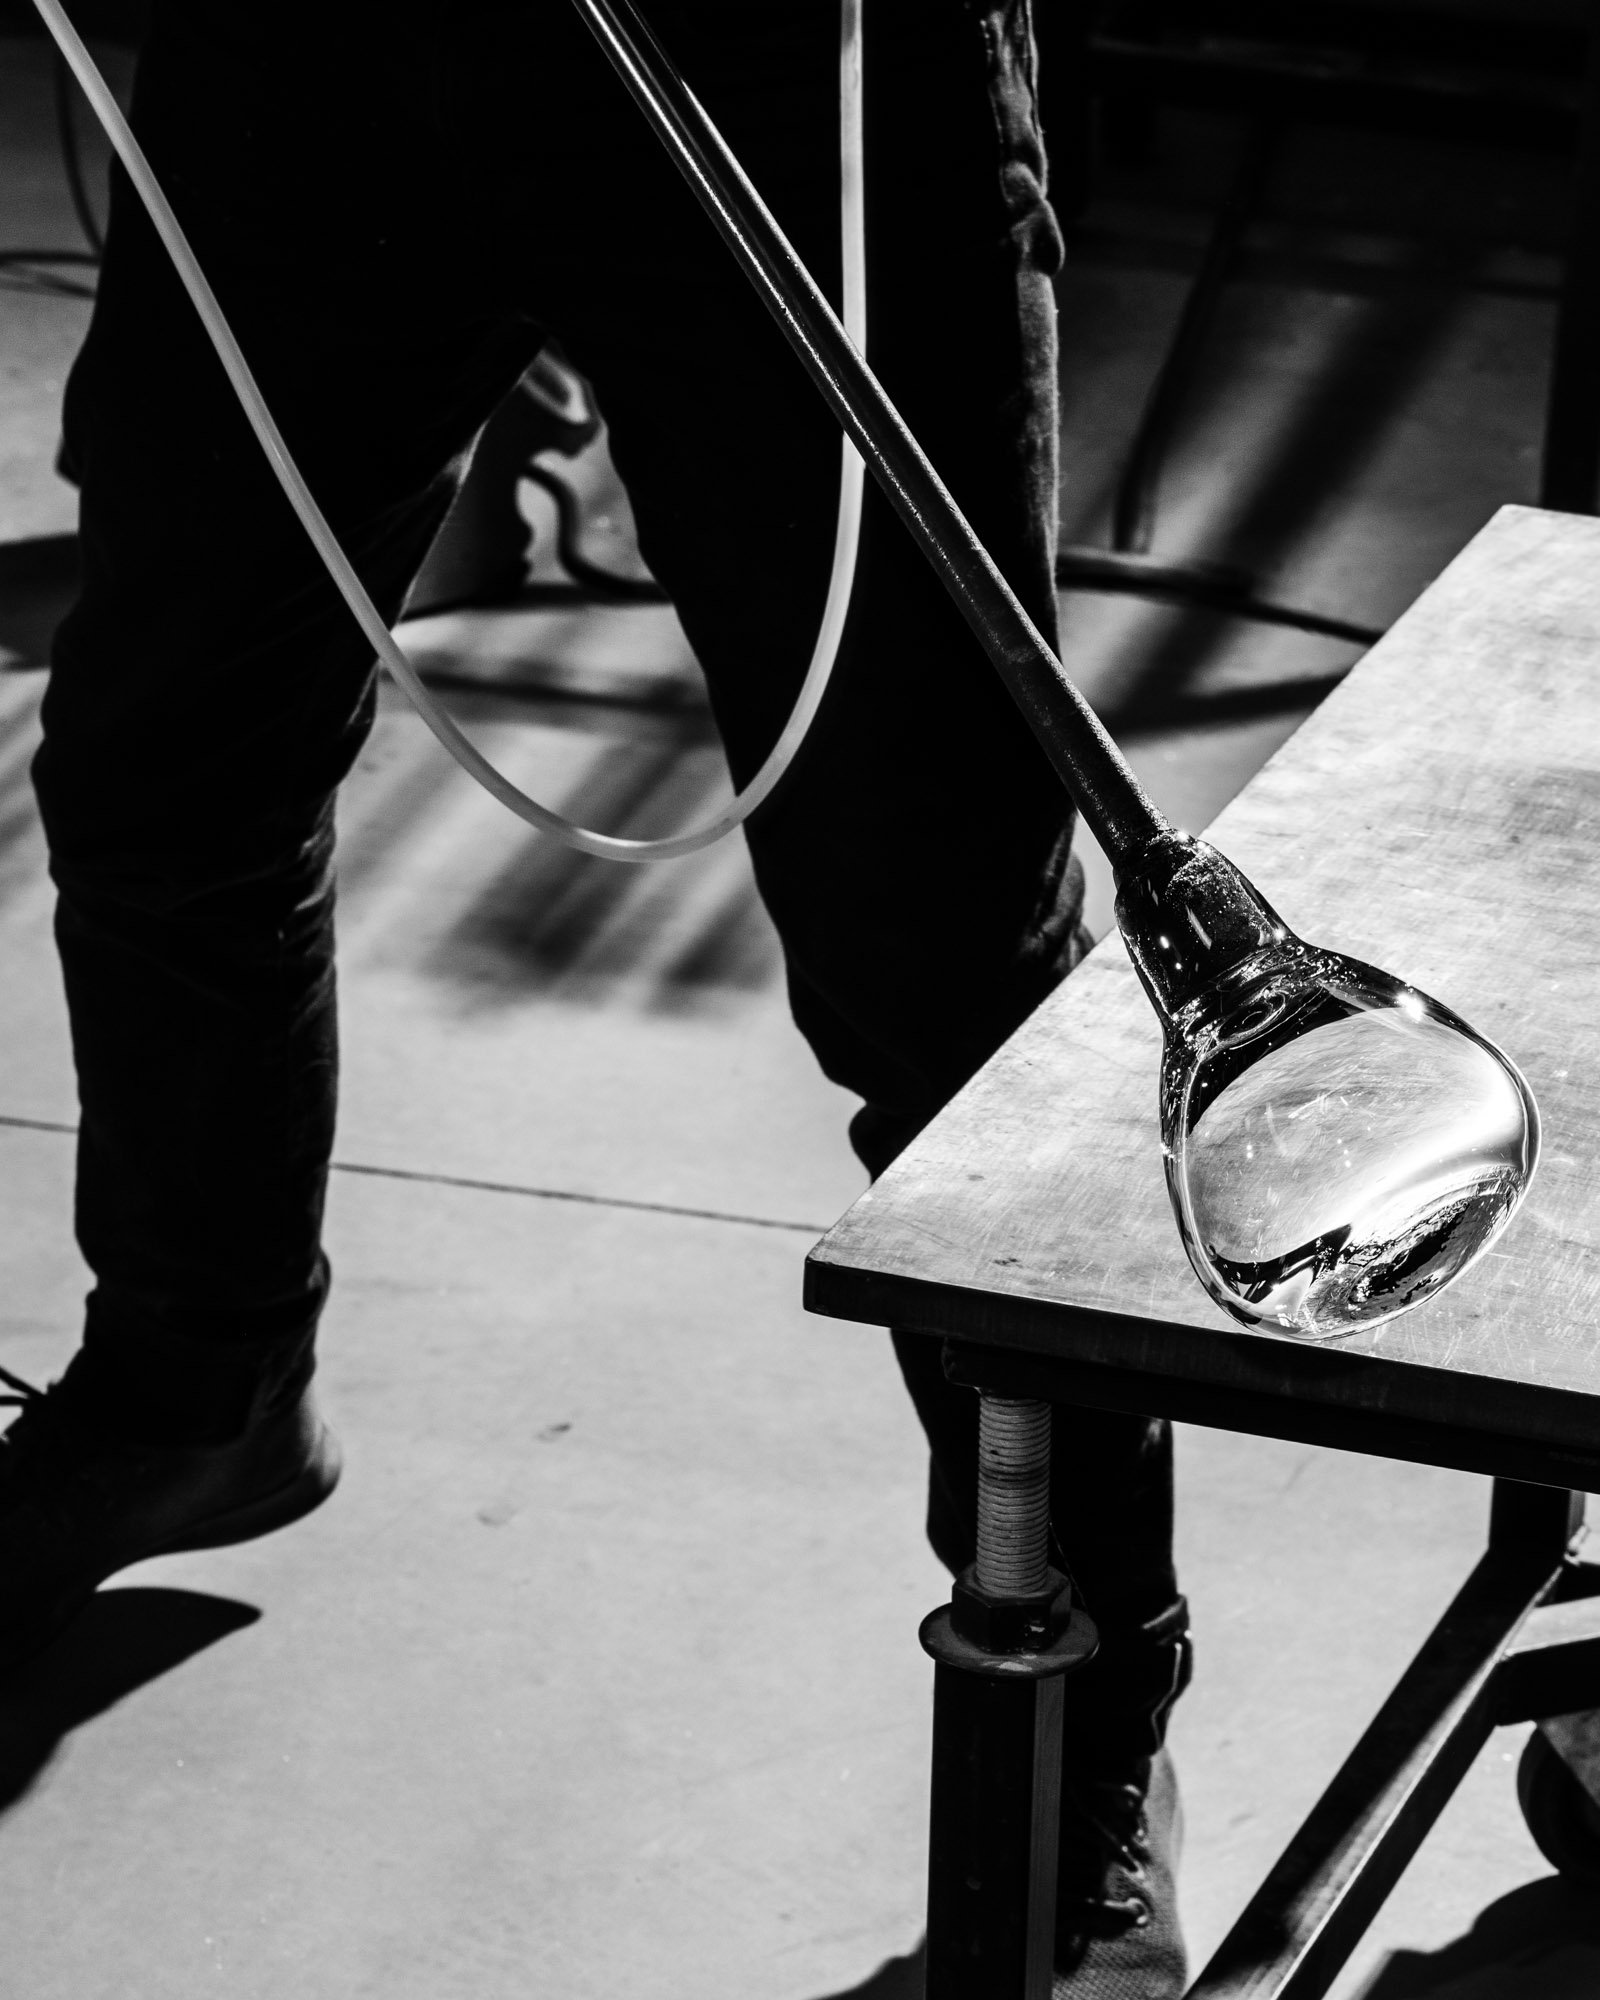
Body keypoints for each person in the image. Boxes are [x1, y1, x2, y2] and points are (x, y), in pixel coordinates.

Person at [1, 0, 1189, 1987]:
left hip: (783, 56)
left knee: (933, 956)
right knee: (163, 761)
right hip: (323, 49)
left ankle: (1082, 1692)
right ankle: (193, 1385)